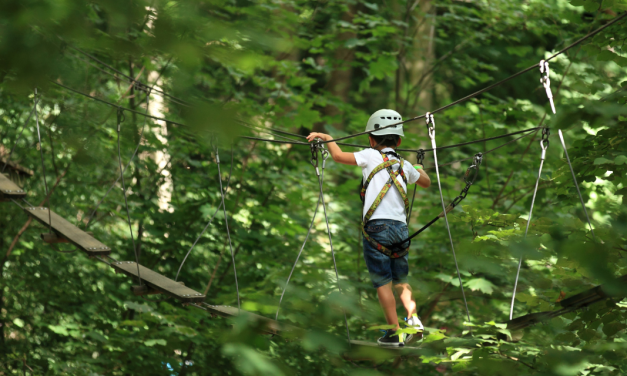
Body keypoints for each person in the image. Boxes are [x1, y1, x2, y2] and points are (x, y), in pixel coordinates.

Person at [307, 109, 431, 347]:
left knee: (382, 281)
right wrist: (419, 167)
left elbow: (339, 156)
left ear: (371, 139)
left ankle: (394, 332)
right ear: (400, 141)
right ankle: (413, 318)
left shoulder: (369, 155)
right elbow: (425, 182)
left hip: (377, 229)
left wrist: (326, 136)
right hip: (401, 231)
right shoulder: (404, 165)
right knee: (400, 278)